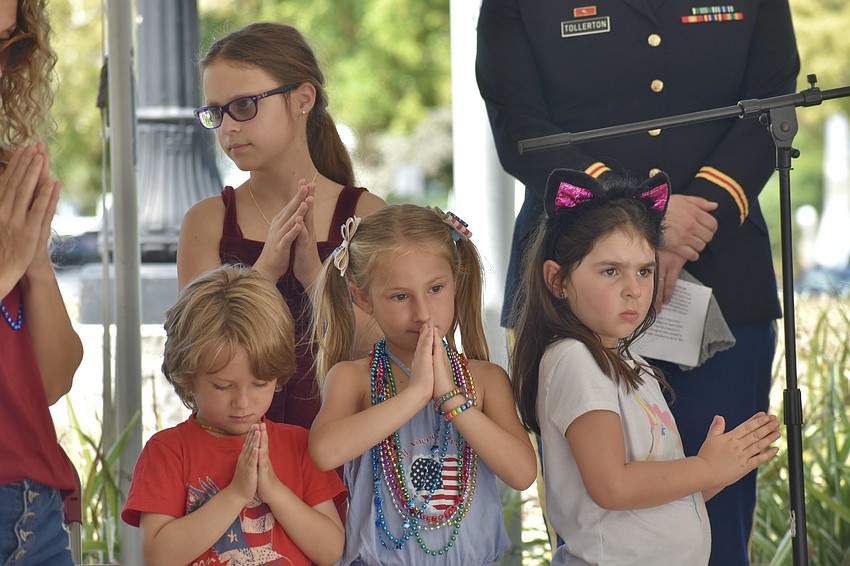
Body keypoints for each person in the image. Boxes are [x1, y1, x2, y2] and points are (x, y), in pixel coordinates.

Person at [476, 3, 800, 563]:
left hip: (721, 272)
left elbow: (772, 101)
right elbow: (518, 120)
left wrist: (695, 219)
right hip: (575, 281)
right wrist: (643, 222)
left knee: (719, 521)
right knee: (593, 522)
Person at [510, 168, 781, 565]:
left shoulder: (627, 359)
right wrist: (705, 467)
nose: (633, 289)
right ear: (557, 280)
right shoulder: (575, 359)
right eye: (610, 271)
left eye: (644, 271)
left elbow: (651, 504)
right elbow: (613, 486)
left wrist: (720, 471)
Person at [178, 22, 385, 430]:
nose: (228, 127)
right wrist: (262, 275)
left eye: (243, 105)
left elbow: (384, 354)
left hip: (343, 449)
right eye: (215, 112)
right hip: (235, 449)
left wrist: (314, 279)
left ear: (303, 98)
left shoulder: (365, 214)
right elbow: (192, 357)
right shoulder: (207, 220)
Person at [308, 205, 537, 564]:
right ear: (362, 297)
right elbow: (325, 452)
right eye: (400, 296)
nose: (422, 312)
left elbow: (522, 474)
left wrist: (450, 398)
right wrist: (416, 393)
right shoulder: (352, 378)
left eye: (435, 289)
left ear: (455, 281)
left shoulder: (486, 379)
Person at [121, 265, 347, 566]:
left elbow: (331, 551)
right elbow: (159, 557)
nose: (242, 402)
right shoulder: (167, 452)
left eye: (260, 384)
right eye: (223, 386)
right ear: (187, 375)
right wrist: (237, 494)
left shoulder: (300, 446)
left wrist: (274, 491)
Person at [0, 1, 83, 564]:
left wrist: (33, 265)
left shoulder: (7, 175)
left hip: (35, 514)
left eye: (11, 43)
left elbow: (52, 381)